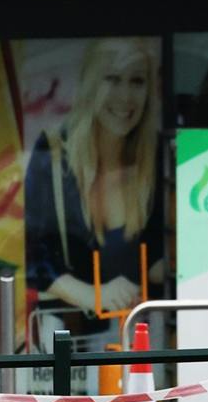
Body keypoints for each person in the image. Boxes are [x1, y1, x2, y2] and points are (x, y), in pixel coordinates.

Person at [23, 37, 163, 333]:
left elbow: (161, 257)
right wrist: (94, 295)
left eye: (137, 81)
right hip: (69, 335)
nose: (125, 96)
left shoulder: (155, 157)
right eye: (112, 79)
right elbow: (33, 254)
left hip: (142, 334)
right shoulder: (53, 152)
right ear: (90, 84)